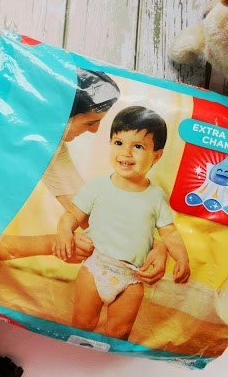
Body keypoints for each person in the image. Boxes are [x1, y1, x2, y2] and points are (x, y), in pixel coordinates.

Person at [0, 70, 169, 286]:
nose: (95, 131)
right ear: (60, 113)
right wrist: (53, 244)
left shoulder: (52, 148)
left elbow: (92, 216)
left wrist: (155, 245)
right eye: (90, 122)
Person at [53, 106, 190, 340]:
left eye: (138, 147)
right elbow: (72, 215)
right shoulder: (97, 187)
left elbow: (170, 233)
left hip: (132, 277)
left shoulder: (156, 196)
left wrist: (182, 258)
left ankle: (111, 356)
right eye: (118, 143)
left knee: (119, 332)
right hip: (95, 268)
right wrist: (63, 230)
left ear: (156, 155)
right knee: (83, 324)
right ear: (110, 144)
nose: (126, 153)